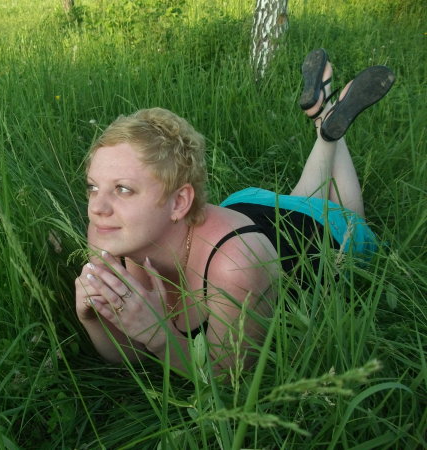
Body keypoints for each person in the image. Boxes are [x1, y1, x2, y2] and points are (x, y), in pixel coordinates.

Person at [74, 49, 395, 377]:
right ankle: (326, 123)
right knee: (300, 199)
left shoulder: (235, 268)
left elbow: (229, 377)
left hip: (314, 235)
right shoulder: (108, 234)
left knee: (349, 215)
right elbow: (128, 358)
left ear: (179, 202)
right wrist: (92, 319)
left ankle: (328, 127)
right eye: (93, 187)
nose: (96, 208)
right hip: (249, 211)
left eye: (123, 189)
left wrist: (158, 335)